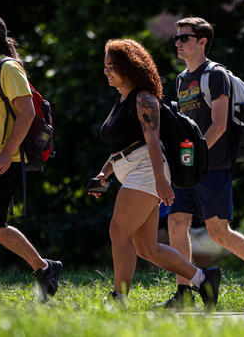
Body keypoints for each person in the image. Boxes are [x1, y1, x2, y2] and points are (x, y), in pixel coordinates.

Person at [157, 17, 244, 309]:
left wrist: (196, 156)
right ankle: (184, 293)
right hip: (187, 165)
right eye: (175, 38)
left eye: (184, 38)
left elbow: (219, 124)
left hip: (212, 164)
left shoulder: (216, 76)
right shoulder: (181, 79)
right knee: (177, 222)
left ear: (202, 42)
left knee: (218, 231)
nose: (177, 43)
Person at [88, 38, 220, 307]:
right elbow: (121, 147)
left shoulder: (144, 98)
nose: (106, 71)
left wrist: (161, 181)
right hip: (131, 169)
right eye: (105, 67)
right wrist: (104, 174)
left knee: (118, 231)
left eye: (111, 66)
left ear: (129, 66)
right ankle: (203, 280)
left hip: (146, 170)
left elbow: (152, 142)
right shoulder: (122, 99)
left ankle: (119, 298)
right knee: (147, 248)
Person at [0, 13, 61, 300]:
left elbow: (27, 113)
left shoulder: (7, 68)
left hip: (3, 162)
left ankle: (44, 267)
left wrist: (6, 153)